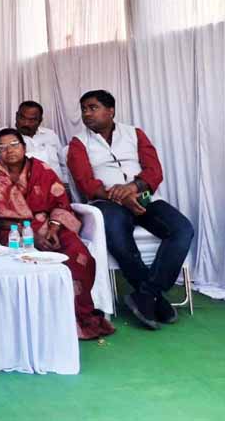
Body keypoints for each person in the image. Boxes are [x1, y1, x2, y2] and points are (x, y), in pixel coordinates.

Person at [67, 90, 194, 330]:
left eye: (93, 108)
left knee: (182, 229)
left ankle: (147, 293)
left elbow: (154, 170)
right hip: (106, 202)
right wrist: (119, 197)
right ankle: (155, 299)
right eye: (83, 109)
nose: (86, 114)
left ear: (110, 111)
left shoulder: (135, 134)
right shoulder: (78, 143)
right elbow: (86, 182)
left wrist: (133, 188)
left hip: (144, 197)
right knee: (118, 236)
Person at [0, 128, 115, 340]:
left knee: (80, 257)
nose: (9, 150)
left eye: (14, 144)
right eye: (2, 147)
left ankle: (79, 316)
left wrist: (53, 227)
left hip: (51, 226)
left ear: (24, 146)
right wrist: (33, 235)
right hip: (11, 230)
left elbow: (61, 202)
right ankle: (45, 323)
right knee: (29, 264)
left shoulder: (42, 170)